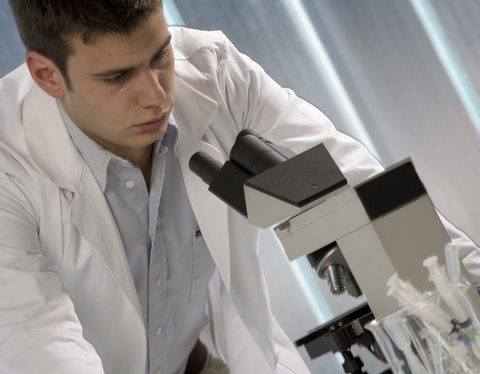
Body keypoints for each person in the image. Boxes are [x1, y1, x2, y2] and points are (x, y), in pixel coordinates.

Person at [1, 1, 479, 373]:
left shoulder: (214, 73)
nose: (157, 95)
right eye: (118, 76)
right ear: (47, 75)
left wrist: (471, 301)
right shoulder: (9, 158)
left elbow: (361, 187)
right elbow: (35, 340)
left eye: (159, 54)